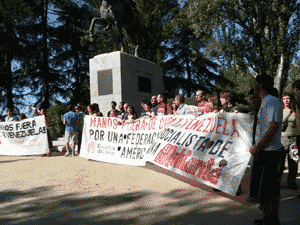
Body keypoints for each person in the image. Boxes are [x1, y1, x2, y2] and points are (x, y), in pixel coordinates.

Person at [249, 75, 285, 225]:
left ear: (261, 85)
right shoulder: (265, 102)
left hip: (269, 153)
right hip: (265, 151)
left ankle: (271, 220)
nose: (254, 86)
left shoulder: (272, 101)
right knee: (268, 190)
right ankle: (269, 219)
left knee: (266, 191)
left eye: (256, 83)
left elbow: (273, 126)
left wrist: (257, 146)